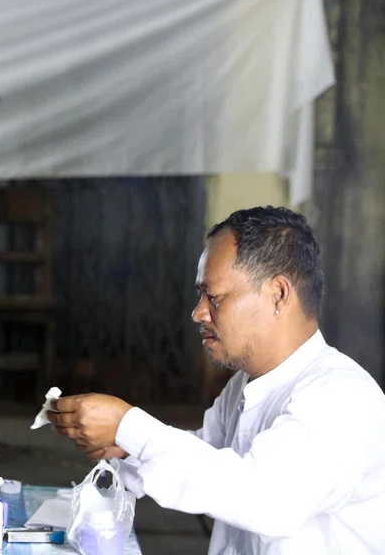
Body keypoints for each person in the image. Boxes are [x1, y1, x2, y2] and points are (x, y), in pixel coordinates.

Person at [47, 206, 385, 554]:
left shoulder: (343, 397)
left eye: (214, 297)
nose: (198, 312)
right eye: (200, 295)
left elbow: (265, 499)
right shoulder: (247, 383)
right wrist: (126, 447)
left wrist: (129, 425)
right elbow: (208, 456)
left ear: (278, 294)